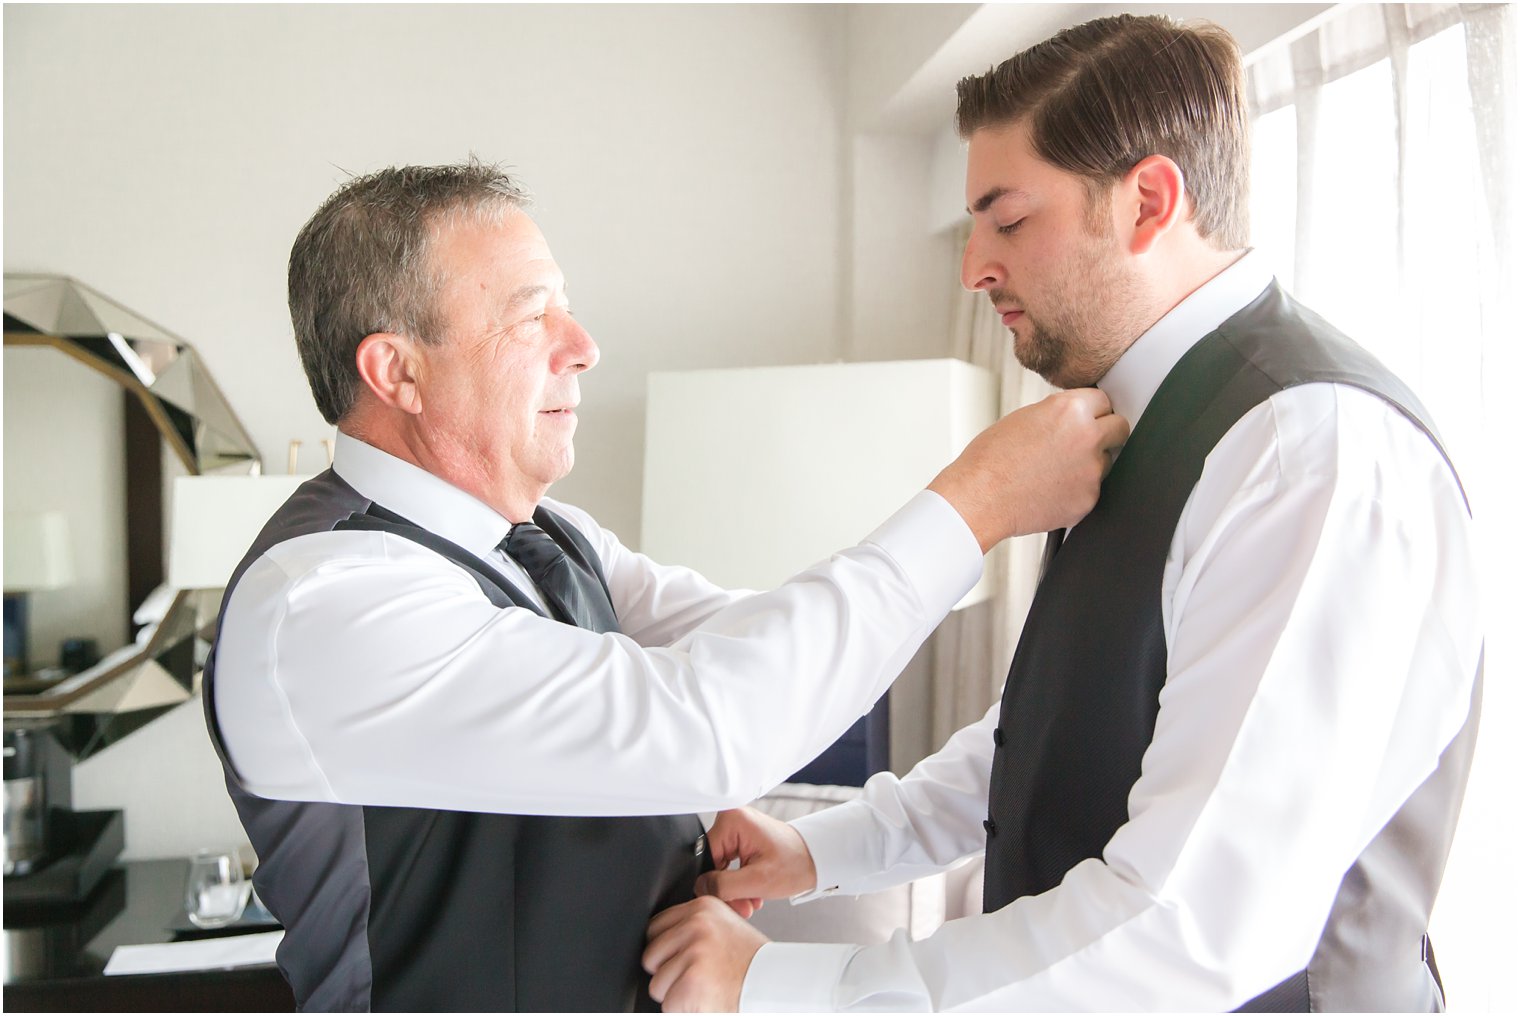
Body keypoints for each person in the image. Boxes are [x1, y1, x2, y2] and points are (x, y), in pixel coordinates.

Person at [643, 14, 1482, 1012]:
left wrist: (783, 982)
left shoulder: (1309, 451)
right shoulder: (1128, 428)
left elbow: (1189, 924)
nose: (972, 270)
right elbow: (1042, 739)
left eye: (1006, 219)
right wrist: (813, 848)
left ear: (1147, 201)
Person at [202, 161, 1128, 1011]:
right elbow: (719, 722)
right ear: (397, 370)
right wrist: (975, 507)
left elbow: (747, 643)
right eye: (532, 317)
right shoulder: (323, 603)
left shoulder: (550, 538)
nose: (583, 345)